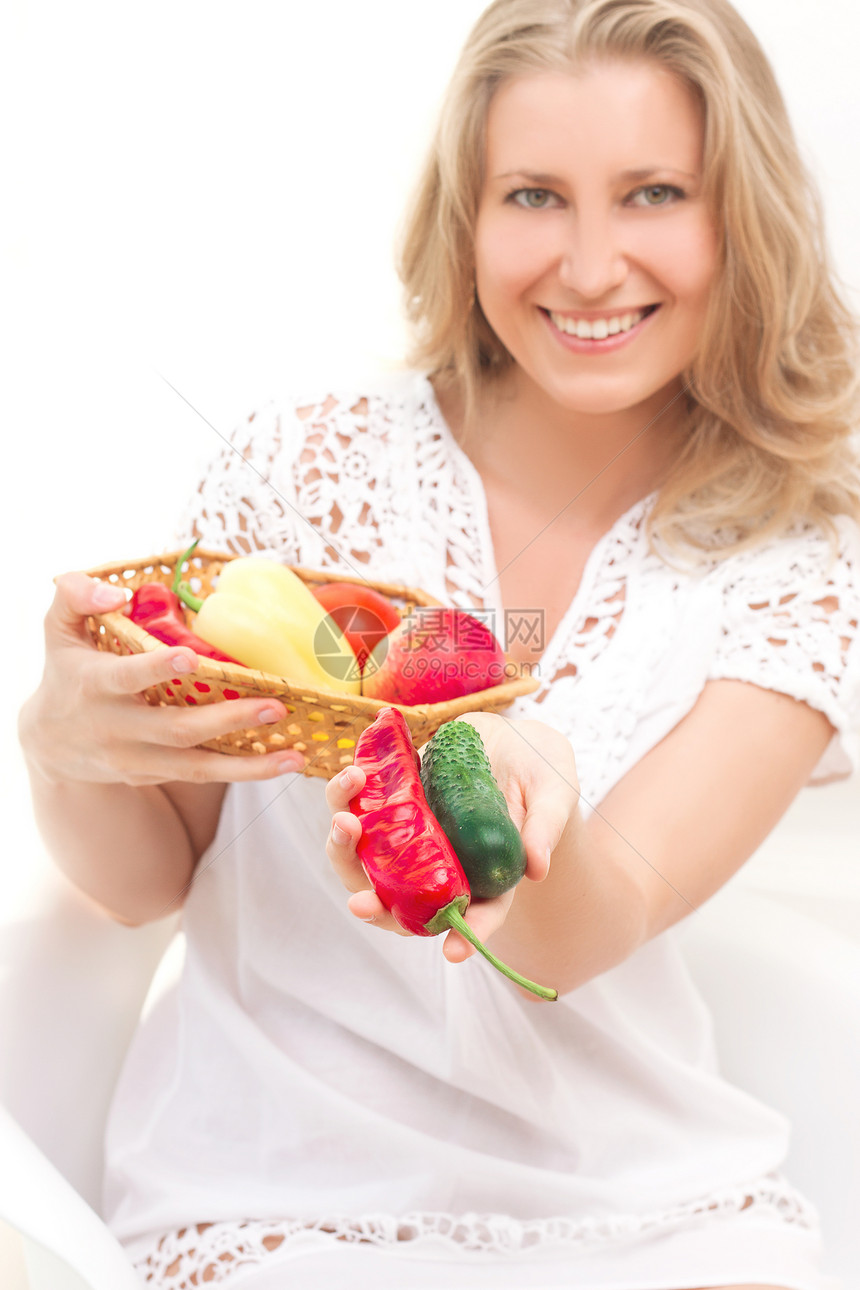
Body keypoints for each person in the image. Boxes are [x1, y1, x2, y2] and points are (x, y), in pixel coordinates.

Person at [17, 0, 860, 1287]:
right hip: (279, 1199)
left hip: (653, 1213)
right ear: (463, 217)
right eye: (531, 195)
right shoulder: (296, 468)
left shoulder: (793, 562)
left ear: (737, 219)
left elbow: (585, 927)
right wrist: (66, 740)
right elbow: (149, 884)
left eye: (650, 194)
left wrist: (520, 795)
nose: (586, 268)